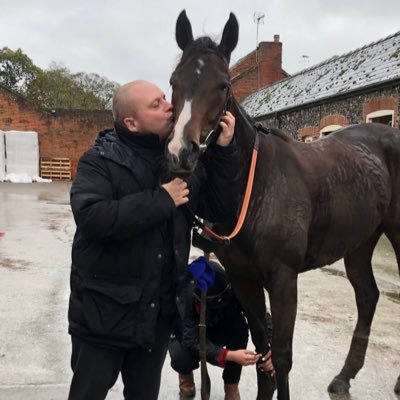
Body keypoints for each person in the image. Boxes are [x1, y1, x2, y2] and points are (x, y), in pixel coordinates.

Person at [67, 80, 240, 400]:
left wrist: (224, 153)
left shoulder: (180, 160)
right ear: (131, 123)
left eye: (164, 98)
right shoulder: (99, 160)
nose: (169, 106)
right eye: (155, 104)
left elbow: (217, 209)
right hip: (103, 315)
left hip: (156, 315)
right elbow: (93, 218)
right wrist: (161, 199)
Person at [169, 259, 274, 400]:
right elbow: (190, 339)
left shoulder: (232, 285)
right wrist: (228, 355)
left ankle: (231, 387)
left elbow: (260, 315)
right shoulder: (185, 295)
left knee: (239, 329)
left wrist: (273, 345)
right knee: (180, 354)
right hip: (191, 336)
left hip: (221, 326)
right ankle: (185, 378)